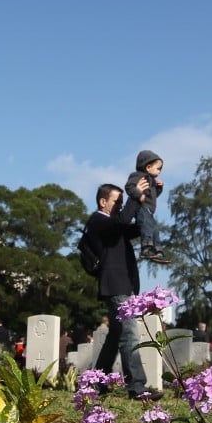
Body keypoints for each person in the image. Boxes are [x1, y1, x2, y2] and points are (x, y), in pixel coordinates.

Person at [86, 181, 163, 401]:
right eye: (116, 201)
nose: (120, 205)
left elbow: (137, 226)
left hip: (123, 286)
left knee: (116, 336)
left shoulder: (116, 225)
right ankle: (137, 387)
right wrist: (133, 195)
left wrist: (151, 193)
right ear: (103, 202)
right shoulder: (99, 221)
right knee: (129, 333)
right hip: (115, 286)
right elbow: (121, 222)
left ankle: (96, 383)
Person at [125, 150, 170, 264]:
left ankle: (157, 249)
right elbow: (129, 187)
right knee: (146, 226)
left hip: (149, 210)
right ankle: (146, 247)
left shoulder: (152, 181)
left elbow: (153, 196)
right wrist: (138, 195)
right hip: (141, 207)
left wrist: (159, 188)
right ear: (148, 167)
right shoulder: (138, 176)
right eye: (158, 168)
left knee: (155, 228)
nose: (159, 171)